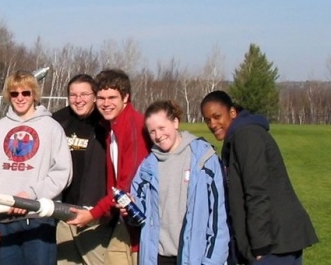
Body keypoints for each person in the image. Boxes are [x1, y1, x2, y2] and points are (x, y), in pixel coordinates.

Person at [200, 90, 318, 265]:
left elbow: (256, 192)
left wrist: (259, 246)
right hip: (274, 240)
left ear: (232, 112)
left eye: (217, 116)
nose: (213, 124)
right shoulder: (239, 136)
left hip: (274, 243)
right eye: (207, 120)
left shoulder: (246, 136)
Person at [0, 70, 72, 265]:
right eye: (14, 93)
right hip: (3, 219)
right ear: (8, 96)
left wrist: (29, 196)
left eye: (25, 93)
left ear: (34, 94)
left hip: (39, 219)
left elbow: (63, 173)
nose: (20, 98)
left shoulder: (52, 127)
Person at [67, 68, 152, 265]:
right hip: (124, 217)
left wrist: (94, 214)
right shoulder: (111, 127)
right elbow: (113, 185)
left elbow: (126, 184)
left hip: (140, 221)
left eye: (112, 97)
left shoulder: (133, 127)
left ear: (126, 97)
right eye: (101, 98)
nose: (106, 104)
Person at [130, 100, 229, 265]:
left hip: (196, 257)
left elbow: (218, 217)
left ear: (175, 122)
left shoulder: (204, 159)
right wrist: (130, 209)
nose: (158, 135)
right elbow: (139, 217)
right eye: (152, 131)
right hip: (158, 257)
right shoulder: (147, 166)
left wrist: (213, 260)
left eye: (162, 128)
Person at [52, 74, 111, 265]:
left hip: (95, 215)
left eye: (84, 94)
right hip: (65, 212)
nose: (78, 100)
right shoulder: (59, 121)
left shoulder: (105, 123)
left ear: (95, 96)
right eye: (73, 95)